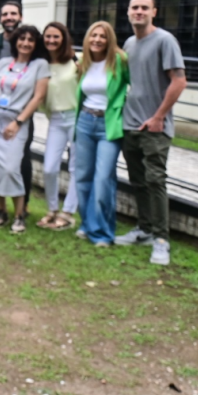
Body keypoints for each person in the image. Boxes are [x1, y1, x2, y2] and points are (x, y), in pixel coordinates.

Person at [114, 0, 187, 265]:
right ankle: (143, 230)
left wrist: (158, 117)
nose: (139, 11)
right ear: (128, 11)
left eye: (145, 7)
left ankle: (161, 239)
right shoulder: (130, 43)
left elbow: (179, 81)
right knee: (139, 181)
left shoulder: (165, 40)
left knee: (155, 180)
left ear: (154, 11)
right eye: (135, 7)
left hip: (154, 128)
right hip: (130, 125)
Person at [0, 25, 50, 233]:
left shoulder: (40, 65)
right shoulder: (3, 63)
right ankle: (1, 211)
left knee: (11, 168)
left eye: (31, 40)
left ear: (35, 44)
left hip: (15, 123)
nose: (25, 43)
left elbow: (38, 97)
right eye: (22, 39)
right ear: (15, 41)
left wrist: (18, 122)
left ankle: (19, 214)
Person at [74, 21, 130, 247]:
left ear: (110, 40)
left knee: (103, 177)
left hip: (108, 123)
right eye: (93, 35)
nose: (97, 40)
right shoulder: (83, 63)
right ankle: (87, 224)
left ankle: (103, 233)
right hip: (85, 121)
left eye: (102, 36)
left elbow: (135, 87)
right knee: (83, 176)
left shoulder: (120, 61)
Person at [0, 1, 31, 217]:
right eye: (5, 14)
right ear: (0, 18)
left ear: (20, 16)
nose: (9, 17)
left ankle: (23, 205)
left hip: (19, 112)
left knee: (20, 159)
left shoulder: (29, 42)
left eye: (13, 13)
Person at [36, 22, 80, 230]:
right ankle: (52, 209)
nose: (51, 41)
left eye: (56, 37)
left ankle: (68, 212)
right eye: (48, 37)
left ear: (64, 38)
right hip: (55, 119)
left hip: (76, 118)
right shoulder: (41, 64)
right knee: (49, 167)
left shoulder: (75, 61)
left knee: (75, 168)